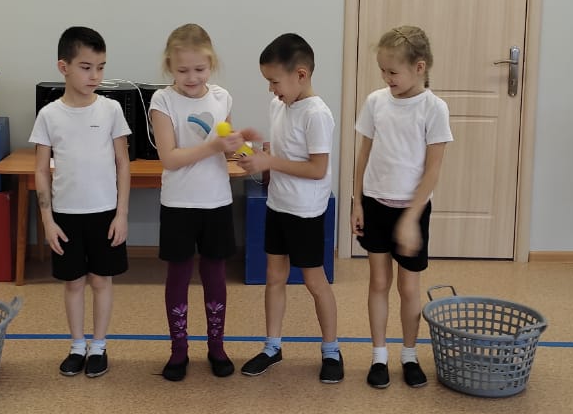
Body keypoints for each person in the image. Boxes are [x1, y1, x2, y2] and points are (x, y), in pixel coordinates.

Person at [350, 26, 452, 390]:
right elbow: (363, 156)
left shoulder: (434, 108)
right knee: (379, 282)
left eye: (393, 71)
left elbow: (433, 170)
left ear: (419, 67)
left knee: (409, 288)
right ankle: (379, 355)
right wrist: (357, 201)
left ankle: (409, 354)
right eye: (382, 70)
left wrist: (410, 218)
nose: (386, 77)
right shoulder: (376, 102)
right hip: (375, 204)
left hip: (413, 210)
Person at [237, 33, 342, 383]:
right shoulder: (280, 105)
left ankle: (331, 349)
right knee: (274, 277)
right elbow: (278, 151)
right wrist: (253, 150)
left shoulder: (317, 114)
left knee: (315, 281)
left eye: (274, 81)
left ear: (300, 75)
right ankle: (272, 346)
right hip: (278, 205)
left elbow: (317, 169)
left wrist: (269, 161)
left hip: (306, 212)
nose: (271, 89)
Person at [29, 26, 131, 378]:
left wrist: (122, 214)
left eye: (100, 67)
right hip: (65, 215)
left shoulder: (111, 110)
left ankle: (99, 345)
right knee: (73, 283)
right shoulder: (49, 115)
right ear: (64, 67)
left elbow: (123, 163)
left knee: (101, 281)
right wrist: (47, 220)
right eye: (86, 67)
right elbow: (40, 170)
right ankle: (76, 345)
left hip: (105, 214)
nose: (95, 76)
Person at [148, 24, 247, 381]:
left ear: (211, 64)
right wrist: (214, 146)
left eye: (199, 69)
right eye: (183, 70)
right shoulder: (162, 101)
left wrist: (243, 149)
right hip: (178, 203)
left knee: (215, 274)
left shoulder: (222, 98)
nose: (192, 77)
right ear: (169, 67)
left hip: (216, 201)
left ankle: (216, 347)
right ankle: (179, 351)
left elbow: (228, 147)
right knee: (178, 275)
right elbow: (170, 158)